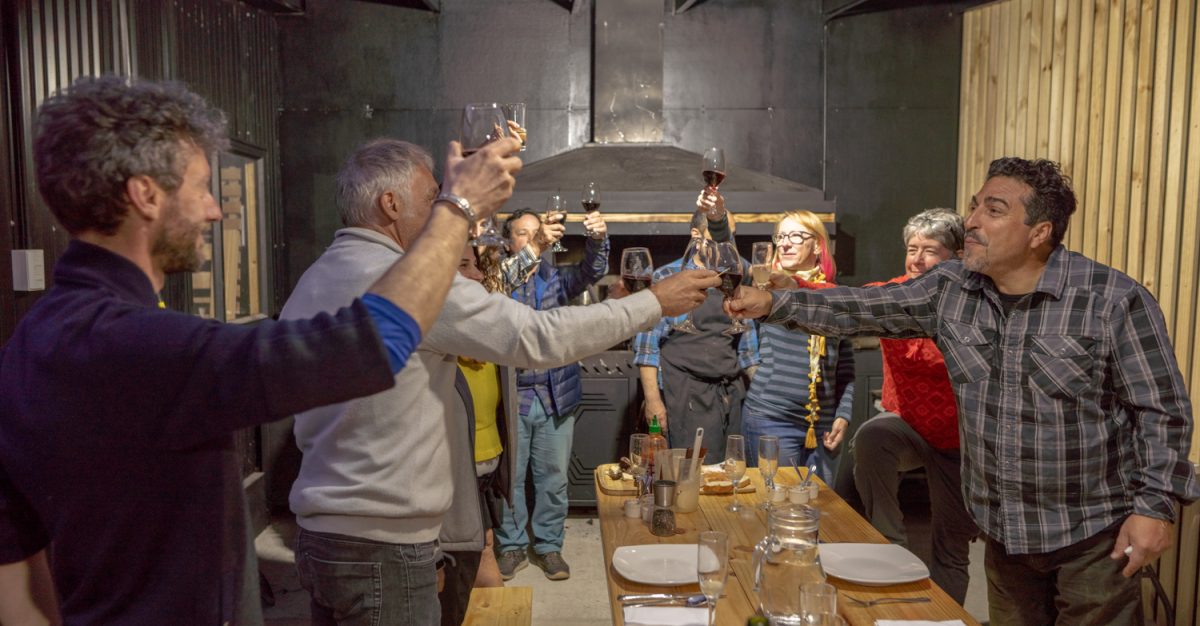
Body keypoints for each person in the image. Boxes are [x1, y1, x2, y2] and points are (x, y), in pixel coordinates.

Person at [0, 75, 520, 624]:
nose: (214, 210)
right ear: (145, 195)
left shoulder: (30, 343)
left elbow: (14, 564)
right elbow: (370, 344)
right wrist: (457, 207)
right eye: (201, 187)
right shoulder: (142, 346)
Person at [726, 158, 1200, 625]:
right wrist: (772, 302)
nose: (971, 221)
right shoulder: (951, 287)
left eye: (993, 210)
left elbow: (1162, 410)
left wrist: (1155, 507)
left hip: (1094, 537)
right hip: (1005, 537)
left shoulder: (1111, 299)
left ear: (1039, 232)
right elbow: (862, 306)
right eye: (975, 206)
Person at [281, 139, 717, 625]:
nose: (444, 212)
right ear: (391, 204)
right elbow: (538, 336)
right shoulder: (410, 279)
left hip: (321, 538)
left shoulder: (315, 278)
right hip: (385, 545)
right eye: (432, 199)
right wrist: (654, 302)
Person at [849, 208, 978, 604]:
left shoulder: (975, 306)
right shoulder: (893, 294)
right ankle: (890, 546)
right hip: (907, 426)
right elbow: (841, 299)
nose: (917, 259)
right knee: (872, 435)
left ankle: (945, 618)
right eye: (912, 249)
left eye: (930, 251)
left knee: (951, 548)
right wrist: (786, 286)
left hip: (959, 440)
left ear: (956, 256)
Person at [492, 205, 610, 582]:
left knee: (553, 478)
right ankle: (511, 546)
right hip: (513, 397)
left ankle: (548, 546)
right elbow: (499, 291)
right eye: (523, 233)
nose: (533, 238)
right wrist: (537, 247)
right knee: (510, 479)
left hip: (555, 394)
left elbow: (592, 270)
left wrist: (597, 239)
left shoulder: (557, 278)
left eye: (537, 232)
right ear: (508, 242)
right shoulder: (497, 279)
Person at [634, 191, 759, 461]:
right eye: (720, 234)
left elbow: (747, 350)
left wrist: (764, 396)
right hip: (685, 395)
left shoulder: (734, 277)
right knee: (691, 473)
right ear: (696, 235)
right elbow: (647, 348)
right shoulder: (667, 277)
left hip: (729, 393)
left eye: (731, 235)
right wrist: (653, 401)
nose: (728, 243)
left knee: (731, 472)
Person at [741, 210, 855, 484]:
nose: (785, 243)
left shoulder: (837, 297)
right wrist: (771, 389)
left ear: (817, 245)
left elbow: (846, 366)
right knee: (776, 501)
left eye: (795, 235)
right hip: (771, 418)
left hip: (824, 424)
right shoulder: (767, 291)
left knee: (820, 503)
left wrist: (843, 414)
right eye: (780, 237)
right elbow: (745, 347)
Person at [437, 245, 517, 625]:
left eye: (476, 265)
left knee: (484, 551)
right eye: (463, 265)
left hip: (486, 468)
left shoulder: (489, 331)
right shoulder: (434, 338)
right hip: (454, 476)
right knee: (459, 574)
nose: (478, 275)